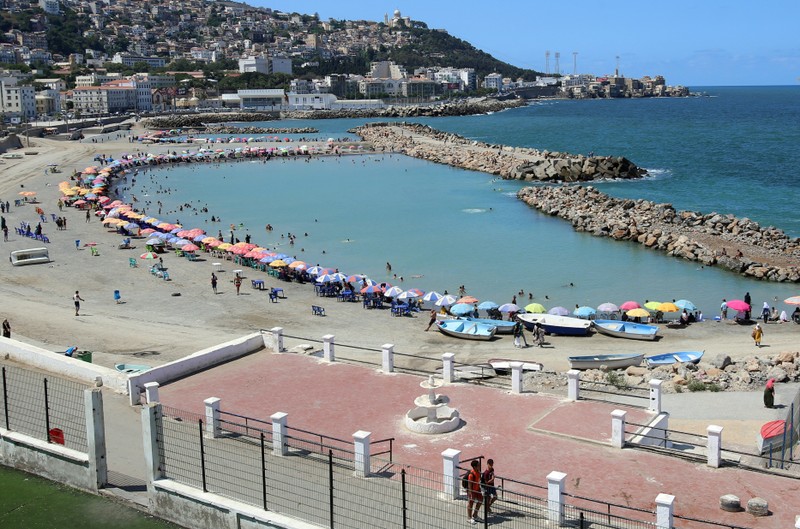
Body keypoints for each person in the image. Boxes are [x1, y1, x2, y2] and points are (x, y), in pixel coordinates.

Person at [466, 459, 483, 524]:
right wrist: (470, 493)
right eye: (478, 465)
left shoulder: (478, 472)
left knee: (481, 500)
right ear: (475, 467)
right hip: (472, 491)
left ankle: (475, 515)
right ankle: (469, 518)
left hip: (477, 490)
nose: (479, 466)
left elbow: (478, 481)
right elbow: (469, 484)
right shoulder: (471, 475)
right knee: (470, 504)